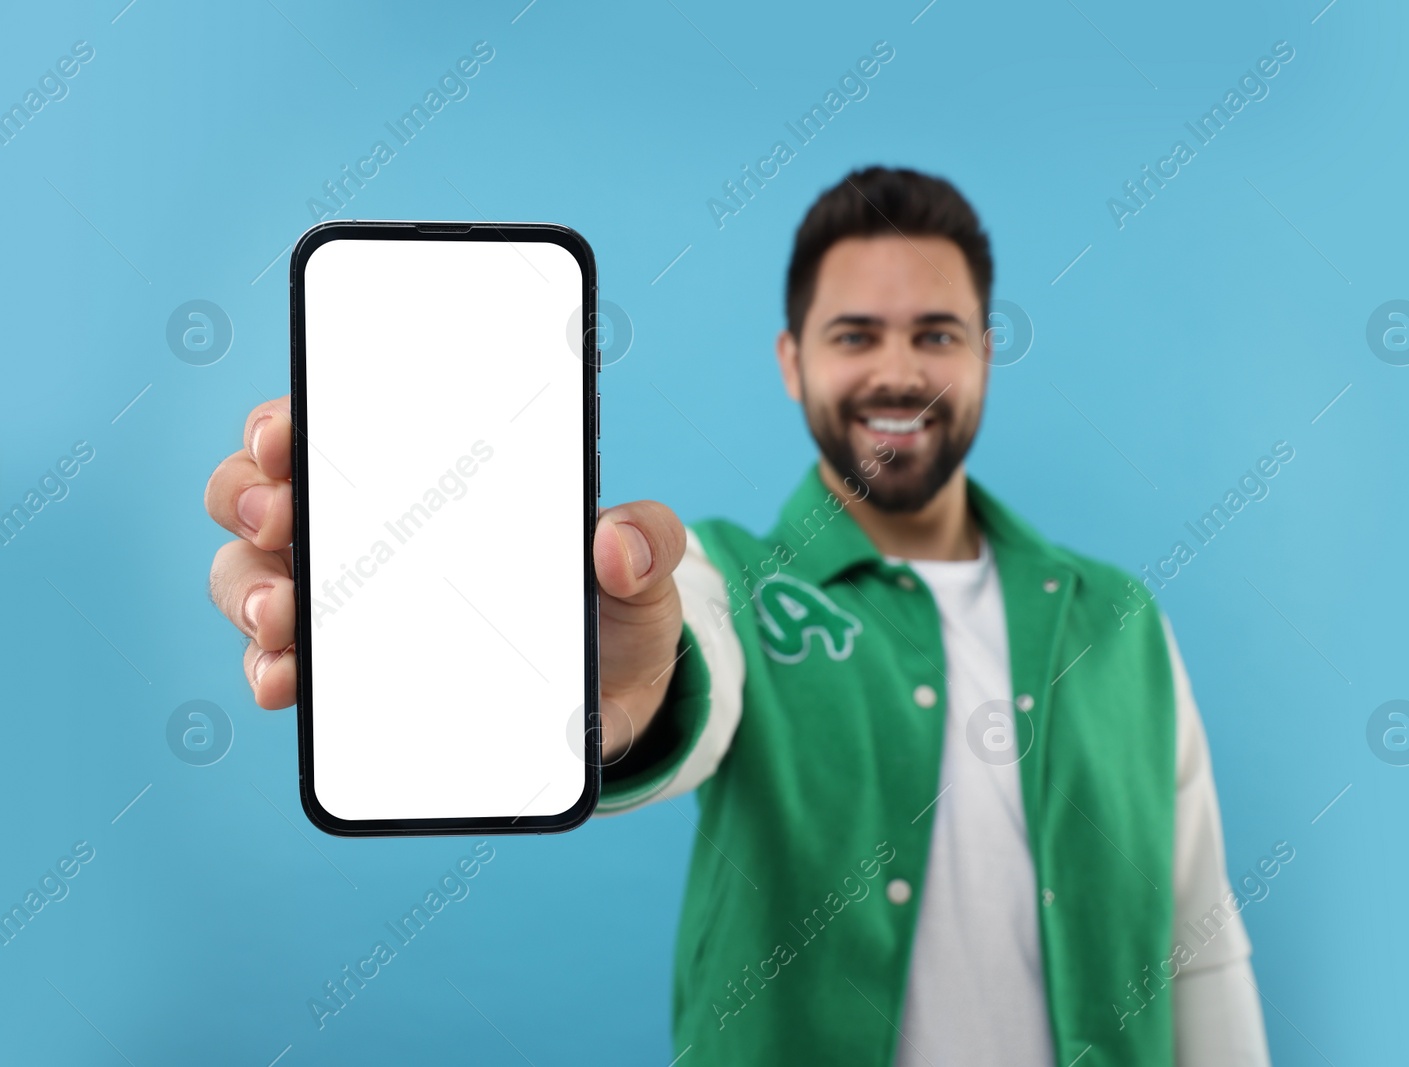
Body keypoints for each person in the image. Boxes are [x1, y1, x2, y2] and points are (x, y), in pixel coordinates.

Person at [206, 165, 1271, 1065]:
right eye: (855, 333)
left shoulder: (1122, 619)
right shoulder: (728, 575)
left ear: (984, 353)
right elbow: (684, 673)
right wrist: (619, 693)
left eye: (936, 333)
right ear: (792, 360)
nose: (898, 369)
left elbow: (1200, 941)